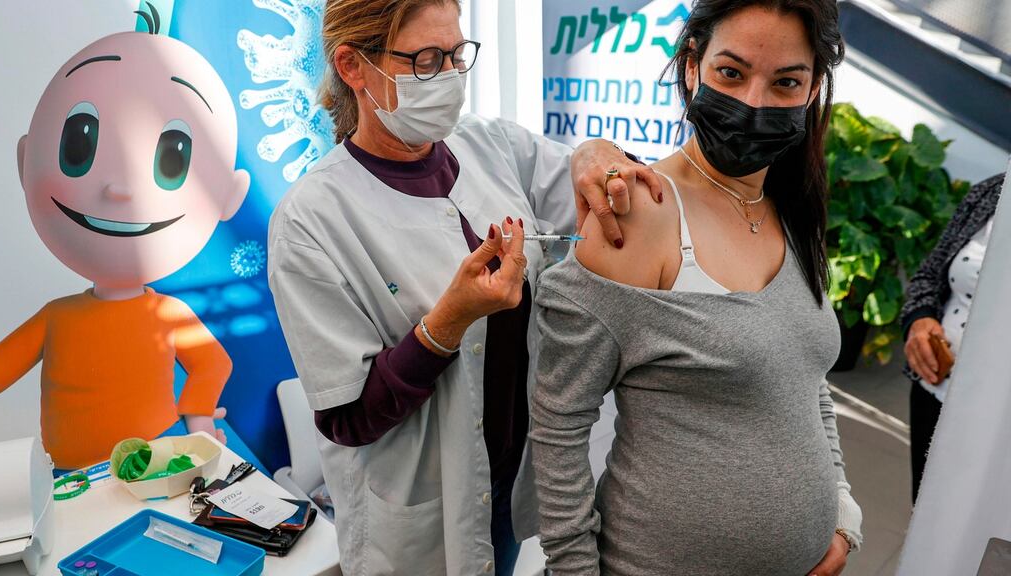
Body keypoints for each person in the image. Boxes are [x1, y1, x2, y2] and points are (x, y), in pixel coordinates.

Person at [266, 1, 661, 574]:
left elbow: (602, 190)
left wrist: (597, 155)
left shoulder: (490, 146)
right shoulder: (312, 221)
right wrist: (448, 320)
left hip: (504, 481)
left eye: (457, 55)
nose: (449, 78)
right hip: (420, 516)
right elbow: (347, 418)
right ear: (353, 67)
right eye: (426, 60)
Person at [530, 1, 864, 574]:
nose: (754, 104)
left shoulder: (791, 212)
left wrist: (840, 513)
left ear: (813, 91)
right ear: (692, 66)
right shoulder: (639, 213)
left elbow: (804, 379)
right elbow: (558, 423)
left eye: (787, 82)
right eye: (731, 73)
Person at [0, 15, 247, 471]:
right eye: (79, 145)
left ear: (228, 195)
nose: (118, 190)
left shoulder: (168, 315)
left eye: (172, 158)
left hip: (157, 464)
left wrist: (198, 417)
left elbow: (213, 364)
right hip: (72, 482)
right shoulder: (58, 317)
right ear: (26, 162)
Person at [900, 172, 1004, 503]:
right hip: (936, 390)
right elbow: (930, 274)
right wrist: (920, 320)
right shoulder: (992, 190)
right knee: (924, 513)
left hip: (998, 423)